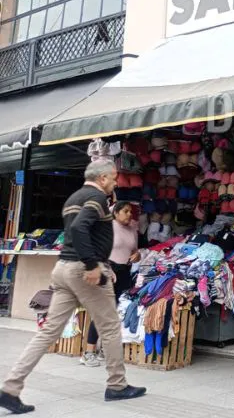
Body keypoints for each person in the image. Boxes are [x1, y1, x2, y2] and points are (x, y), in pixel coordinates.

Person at [0, 159, 146, 415]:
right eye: (113, 178)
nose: (115, 182)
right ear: (102, 178)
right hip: (84, 270)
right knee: (110, 326)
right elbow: (80, 228)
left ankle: (10, 389)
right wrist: (92, 264)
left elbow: (76, 228)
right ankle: (117, 385)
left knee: (48, 332)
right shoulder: (97, 198)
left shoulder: (73, 198)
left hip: (63, 269)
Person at [81, 201, 141, 367]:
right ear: (116, 213)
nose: (130, 214)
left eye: (131, 211)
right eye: (126, 211)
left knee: (116, 312)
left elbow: (135, 251)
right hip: (109, 270)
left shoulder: (133, 229)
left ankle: (103, 349)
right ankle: (88, 352)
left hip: (125, 273)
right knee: (103, 312)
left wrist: (138, 255)